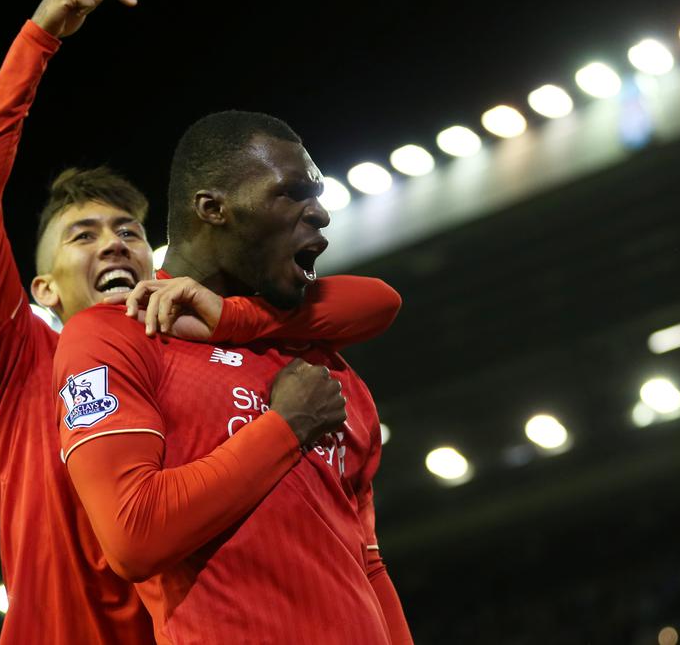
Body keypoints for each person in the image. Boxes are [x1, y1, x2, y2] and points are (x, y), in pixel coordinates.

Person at [0, 0, 403, 644]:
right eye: (83, 236)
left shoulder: (180, 344)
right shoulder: (19, 361)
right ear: (42, 290)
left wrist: (230, 315)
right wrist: (38, 40)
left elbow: (373, 302)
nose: (114, 244)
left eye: (129, 232)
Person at [54, 111, 414, 644]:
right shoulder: (117, 333)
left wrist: (234, 318)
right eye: (292, 193)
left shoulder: (320, 361)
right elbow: (133, 534)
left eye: (316, 194)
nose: (320, 213)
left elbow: (368, 562)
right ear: (213, 208)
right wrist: (285, 428)